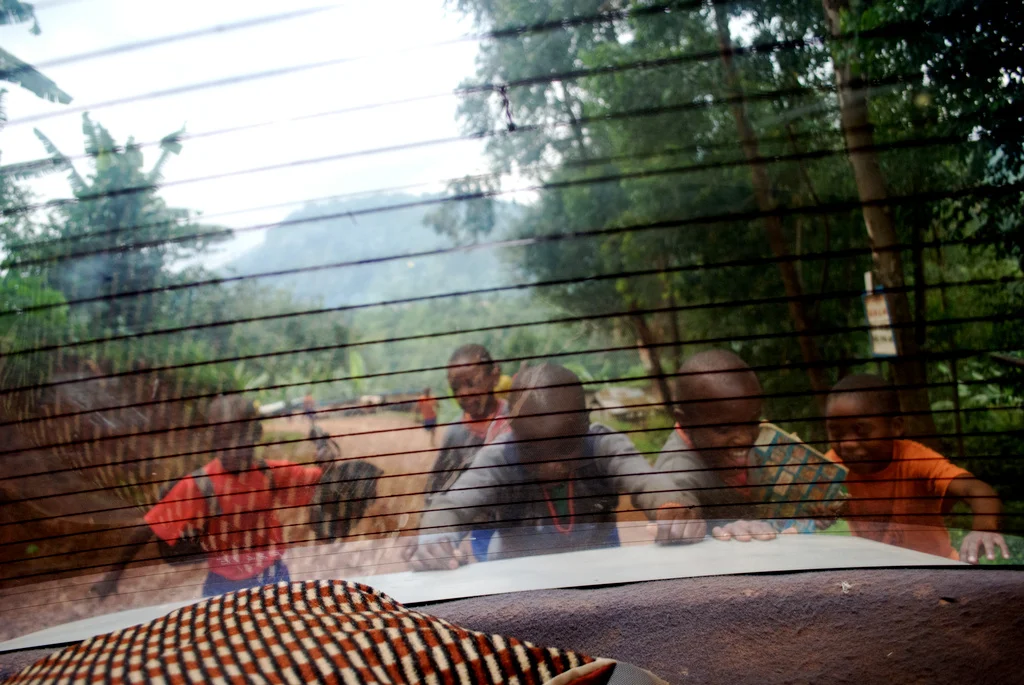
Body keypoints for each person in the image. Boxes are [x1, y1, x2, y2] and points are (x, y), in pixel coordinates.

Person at [408, 363, 706, 570]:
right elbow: (451, 505)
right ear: (512, 430)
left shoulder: (602, 445)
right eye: (533, 450)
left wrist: (671, 508)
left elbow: (646, 481)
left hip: (602, 577)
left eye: (566, 448)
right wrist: (435, 540)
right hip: (520, 586)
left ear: (586, 422)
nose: (552, 466)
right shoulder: (500, 456)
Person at [93, 395, 325, 598]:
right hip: (224, 583)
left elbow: (321, 479)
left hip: (273, 575)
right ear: (214, 441)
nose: (233, 449)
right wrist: (112, 576)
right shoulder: (199, 485)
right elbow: (147, 528)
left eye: (240, 440)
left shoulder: (272, 473)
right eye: (225, 441)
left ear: (255, 435)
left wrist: (323, 452)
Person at [824, 374, 1009, 563]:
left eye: (861, 431)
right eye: (836, 433)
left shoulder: (915, 460)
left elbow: (977, 490)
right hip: (877, 571)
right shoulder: (833, 465)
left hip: (934, 569)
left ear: (895, 427)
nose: (847, 444)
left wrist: (984, 529)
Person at [655, 349, 786, 542]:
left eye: (753, 422)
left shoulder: (727, 447)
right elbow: (678, 513)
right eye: (724, 428)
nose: (745, 439)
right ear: (686, 421)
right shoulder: (677, 474)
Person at [426, 344, 510, 560]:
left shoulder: (516, 418)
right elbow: (437, 489)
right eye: (456, 388)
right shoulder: (456, 434)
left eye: (471, 383)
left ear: (494, 376)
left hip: (521, 527)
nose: (463, 394)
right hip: (482, 531)